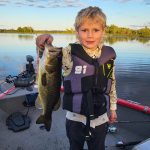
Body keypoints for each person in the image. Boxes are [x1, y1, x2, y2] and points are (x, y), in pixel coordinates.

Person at [36, 6, 117, 150]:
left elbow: (112, 83)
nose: (90, 35)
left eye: (96, 30)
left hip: (100, 117)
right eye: (84, 30)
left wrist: (113, 108)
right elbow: (50, 61)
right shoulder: (69, 52)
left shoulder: (108, 55)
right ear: (77, 31)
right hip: (75, 118)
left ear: (103, 31)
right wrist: (42, 45)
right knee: (75, 147)